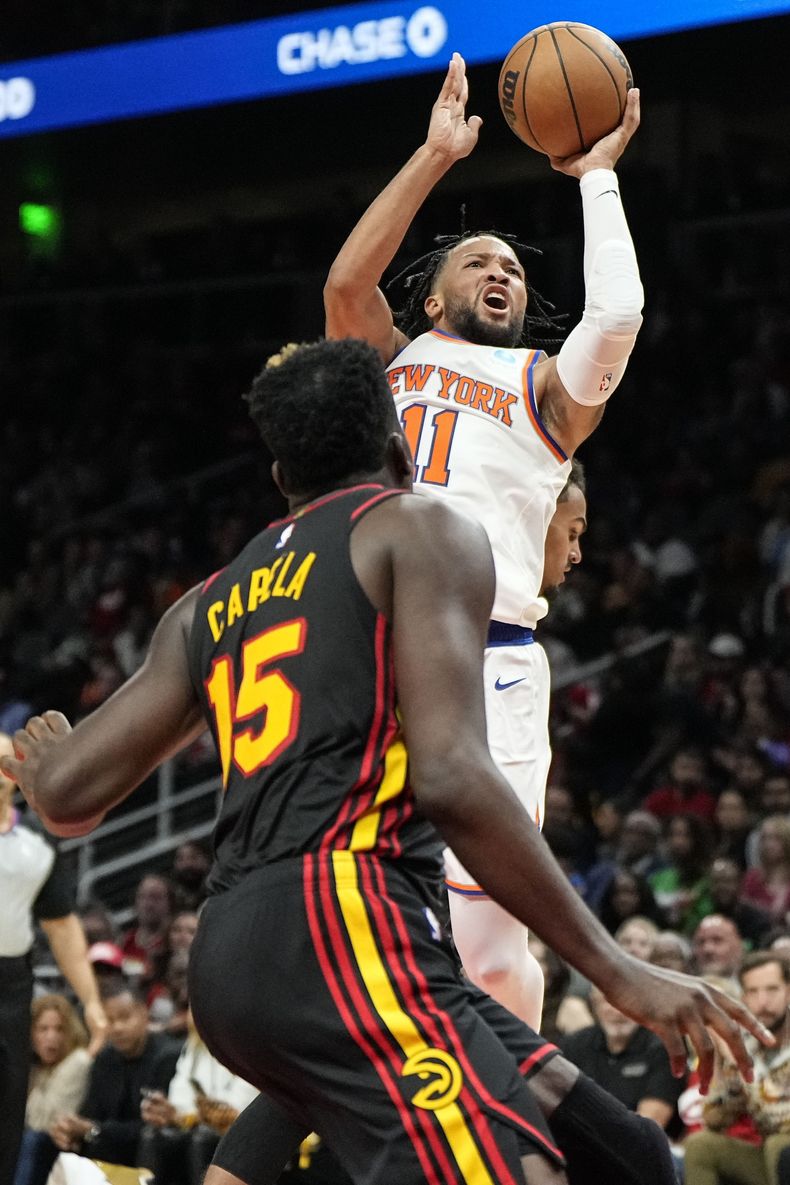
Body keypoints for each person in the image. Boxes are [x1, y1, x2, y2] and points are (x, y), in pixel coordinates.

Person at [2, 339, 772, 1185]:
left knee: (624, 1157)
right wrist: (618, 968)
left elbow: (69, 797)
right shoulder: (419, 526)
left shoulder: (209, 600)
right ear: (400, 444)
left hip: (234, 952)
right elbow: (449, 773)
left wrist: (42, 767)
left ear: (279, 477)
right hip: (341, 920)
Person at [323, 51, 643, 1027]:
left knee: (490, 944)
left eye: (511, 266)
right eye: (479, 262)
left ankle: (516, 1117)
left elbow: (618, 313)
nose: (501, 272)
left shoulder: (545, 391)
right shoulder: (395, 359)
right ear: (433, 299)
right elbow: (345, 282)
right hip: (372, 649)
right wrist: (432, 156)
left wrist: (595, 176)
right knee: (363, 924)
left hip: (488, 655)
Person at [0, 731, 107, 1185]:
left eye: (6, 761)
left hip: (10, 984)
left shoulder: (37, 843)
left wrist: (92, 999)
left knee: (7, 1108)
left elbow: (61, 926)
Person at [684, 952, 790, 1185]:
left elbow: (780, 1119)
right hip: (769, 1158)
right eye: (753, 992)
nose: (763, 1001)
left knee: (779, 1144)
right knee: (700, 1145)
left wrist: (737, 1062)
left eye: (772, 990)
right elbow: (713, 1119)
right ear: (743, 998)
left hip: (782, 1149)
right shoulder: (747, 1045)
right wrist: (725, 1070)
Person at [48, 981, 179, 1168]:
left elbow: (154, 1127)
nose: (117, 1027)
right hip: (107, 1155)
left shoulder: (168, 1056)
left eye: (124, 1018)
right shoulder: (104, 1059)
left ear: (143, 1013)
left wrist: (95, 1130)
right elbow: (90, 1114)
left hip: (152, 1158)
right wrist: (70, 1129)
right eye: (109, 1020)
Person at [138, 1010, 258, 1185]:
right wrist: (167, 1111)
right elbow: (179, 1096)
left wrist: (185, 1115)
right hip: (198, 1124)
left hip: (241, 1132)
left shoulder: (252, 1046)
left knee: (202, 1139)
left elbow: (239, 1107)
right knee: (152, 1135)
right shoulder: (195, 1045)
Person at [560, 985, 681, 1132]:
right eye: (608, 1002)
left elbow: (649, 1127)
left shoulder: (663, 1047)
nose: (617, 1012)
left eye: (627, 1003)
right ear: (594, 1003)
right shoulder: (575, 1044)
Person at [15, 995, 92, 1185]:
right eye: (43, 1029)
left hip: (63, 1147)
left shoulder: (77, 1062)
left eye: (59, 1029)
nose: (51, 1037)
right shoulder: (37, 1067)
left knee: (32, 1139)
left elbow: (44, 1123)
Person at [692, 915, 745, 986]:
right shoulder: (685, 989)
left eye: (717, 940)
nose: (707, 949)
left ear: (737, 946)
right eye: (701, 942)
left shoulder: (752, 986)